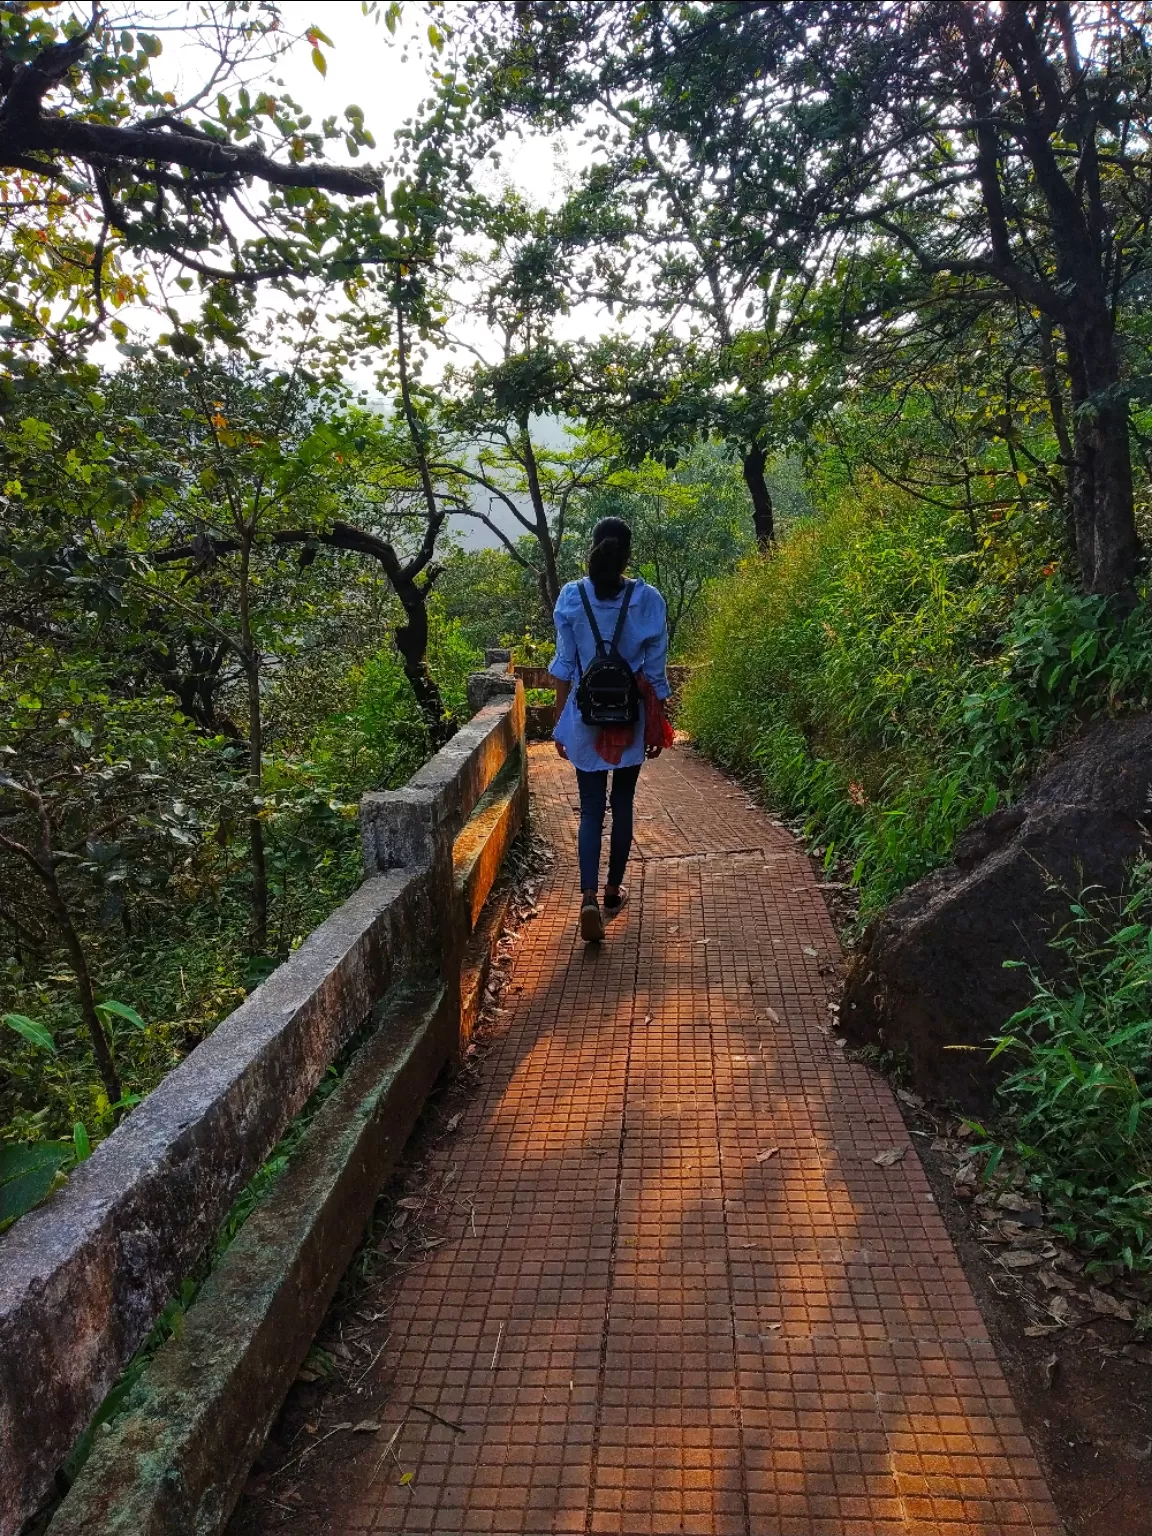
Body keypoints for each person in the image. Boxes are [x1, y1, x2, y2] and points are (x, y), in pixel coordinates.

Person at [548, 516, 673, 942]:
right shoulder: (648, 600)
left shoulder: (571, 596)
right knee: (622, 805)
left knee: (590, 810)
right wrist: (658, 722)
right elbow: (655, 673)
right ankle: (613, 892)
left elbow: (565, 666)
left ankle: (585, 896)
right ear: (627, 553)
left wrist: (560, 721)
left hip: (586, 720)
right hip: (629, 718)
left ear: (594, 546)